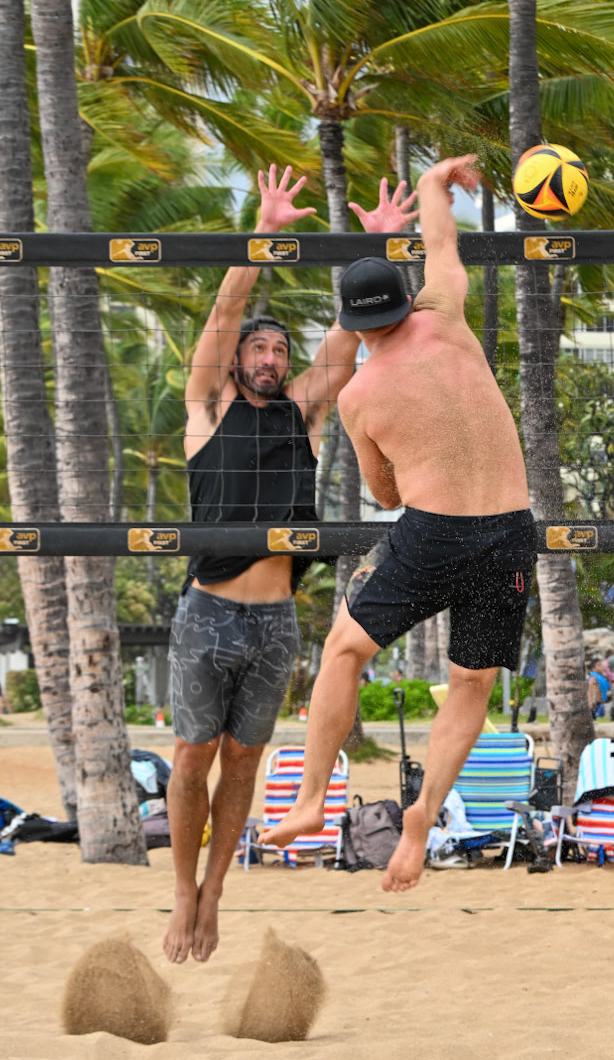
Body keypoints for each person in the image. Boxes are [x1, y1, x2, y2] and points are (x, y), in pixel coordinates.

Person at [261, 155, 537, 893]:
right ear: (407, 298)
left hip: (435, 533)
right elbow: (441, 244)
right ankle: (422, 815)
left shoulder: (359, 393)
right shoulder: (444, 312)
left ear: (354, 324)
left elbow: (384, 491)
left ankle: (313, 798)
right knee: (471, 681)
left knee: (345, 649)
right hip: (512, 529)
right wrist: (432, 184)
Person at [166, 163, 415, 964]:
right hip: (207, 609)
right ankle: (180, 894)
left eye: (279, 348)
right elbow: (225, 306)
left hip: (274, 620)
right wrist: (265, 231)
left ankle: (216, 894)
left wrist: (374, 247)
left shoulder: (301, 419)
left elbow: (344, 341)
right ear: (235, 362)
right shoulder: (207, 409)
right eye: (259, 349)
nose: (270, 356)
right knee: (193, 756)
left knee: (243, 760)